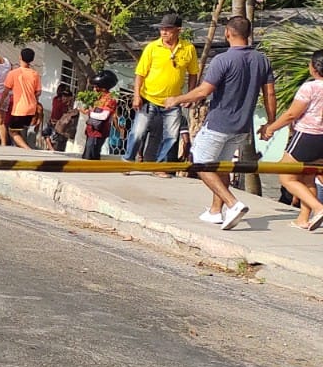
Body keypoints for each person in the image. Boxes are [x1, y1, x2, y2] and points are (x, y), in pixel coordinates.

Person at [164, 14, 275, 230]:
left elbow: (205, 90)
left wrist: (178, 98)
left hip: (219, 123)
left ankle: (232, 203)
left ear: (227, 33)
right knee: (221, 166)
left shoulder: (223, 60)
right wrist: (270, 122)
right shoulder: (262, 60)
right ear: (248, 34)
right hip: (243, 126)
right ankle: (216, 211)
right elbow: (270, 94)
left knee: (199, 162)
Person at [258, 49, 323, 231]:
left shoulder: (310, 87)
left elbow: (292, 114)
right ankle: (303, 218)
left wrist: (270, 128)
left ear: (314, 68)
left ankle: (319, 208)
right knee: (308, 178)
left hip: (307, 136)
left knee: (286, 176)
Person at [127, 12, 199, 163]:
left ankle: (160, 166)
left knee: (171, 136)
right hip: (149, 98)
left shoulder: (188, 48)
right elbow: (140, 73)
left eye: (168, 29)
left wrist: (190, 95)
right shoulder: (152, 48)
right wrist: (136, 96)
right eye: (162, 29)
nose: (164, 32)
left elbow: (193, 73)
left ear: (178, 30)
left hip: (172, 101)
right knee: (138, 133)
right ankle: (128, 160)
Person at [2, 48, 42, 150]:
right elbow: (38, 92)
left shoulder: (14, 73)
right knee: (22, 131)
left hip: (19, 108)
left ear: (20, 57)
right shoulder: (35, 74)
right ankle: (24, 148)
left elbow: (6, 91)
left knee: (13, 131)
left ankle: (27, 149)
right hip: (31, 108)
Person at [81, 70, 119, 161]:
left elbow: (103, 116)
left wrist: (90, 113)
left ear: (103, 87)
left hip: (98, 132)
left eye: (96, 87)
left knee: (91, 156)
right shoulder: (99, 98)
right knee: (87, 155)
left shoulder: (110, 100)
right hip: (91, 131)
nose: (94, 89)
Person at [44, 84, 76, 153]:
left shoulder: (55, 99)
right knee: (53, 138)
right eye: (63, 95)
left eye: (65, 96)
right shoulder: (62, 104)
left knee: (48, 136)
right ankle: (51, 149)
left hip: (55, 123)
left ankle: (50, 149)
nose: (64, 97)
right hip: (56, 124)